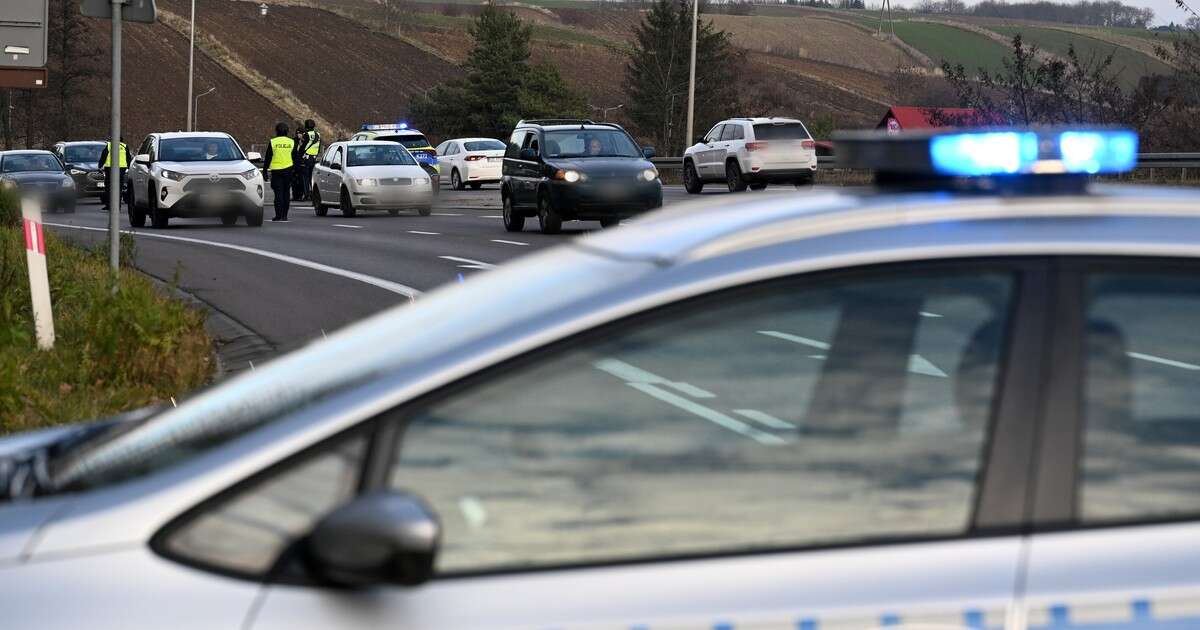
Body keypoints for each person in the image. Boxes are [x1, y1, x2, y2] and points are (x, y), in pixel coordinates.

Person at [264, 122, 296, 222]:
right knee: (286, 193)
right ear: (287, 131)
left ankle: (278, 215)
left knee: (278, 194)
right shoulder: (291, 142)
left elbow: (268, 157)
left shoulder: (273, 142)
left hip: (276, 171)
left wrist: (265, 171)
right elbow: (295, 158)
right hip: (288, 170)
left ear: (276, 131)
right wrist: (295, 172)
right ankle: (284, 216)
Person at [97, 137, 129, 212]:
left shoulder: (109, 145)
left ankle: (109, 205)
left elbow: (103, 157)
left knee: (109, 187)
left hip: (110, 169)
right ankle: (118, 206)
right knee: (119, 188)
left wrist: (99, 166)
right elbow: (128, 158)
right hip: (121, 169)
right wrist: (129, 167)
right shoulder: (124, 146)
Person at [300, 119, 321, 201]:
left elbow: (302, 146)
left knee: (305, 177)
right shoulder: (318, 134)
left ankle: (306, 194)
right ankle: (313, 194)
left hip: (306, 158)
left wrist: (300, 156)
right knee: (312, 177)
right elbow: (319, 148)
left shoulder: (306, 134)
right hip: (314, 158)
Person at [291, 121, 306, 201]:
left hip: (302, 163)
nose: (298, 134)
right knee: (294, 181)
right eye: (297, 133)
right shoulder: (293, 141)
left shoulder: (306, 142)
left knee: (301, 180)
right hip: (294, 163)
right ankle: (295, 195)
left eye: (300, 133)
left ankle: (301, 195)